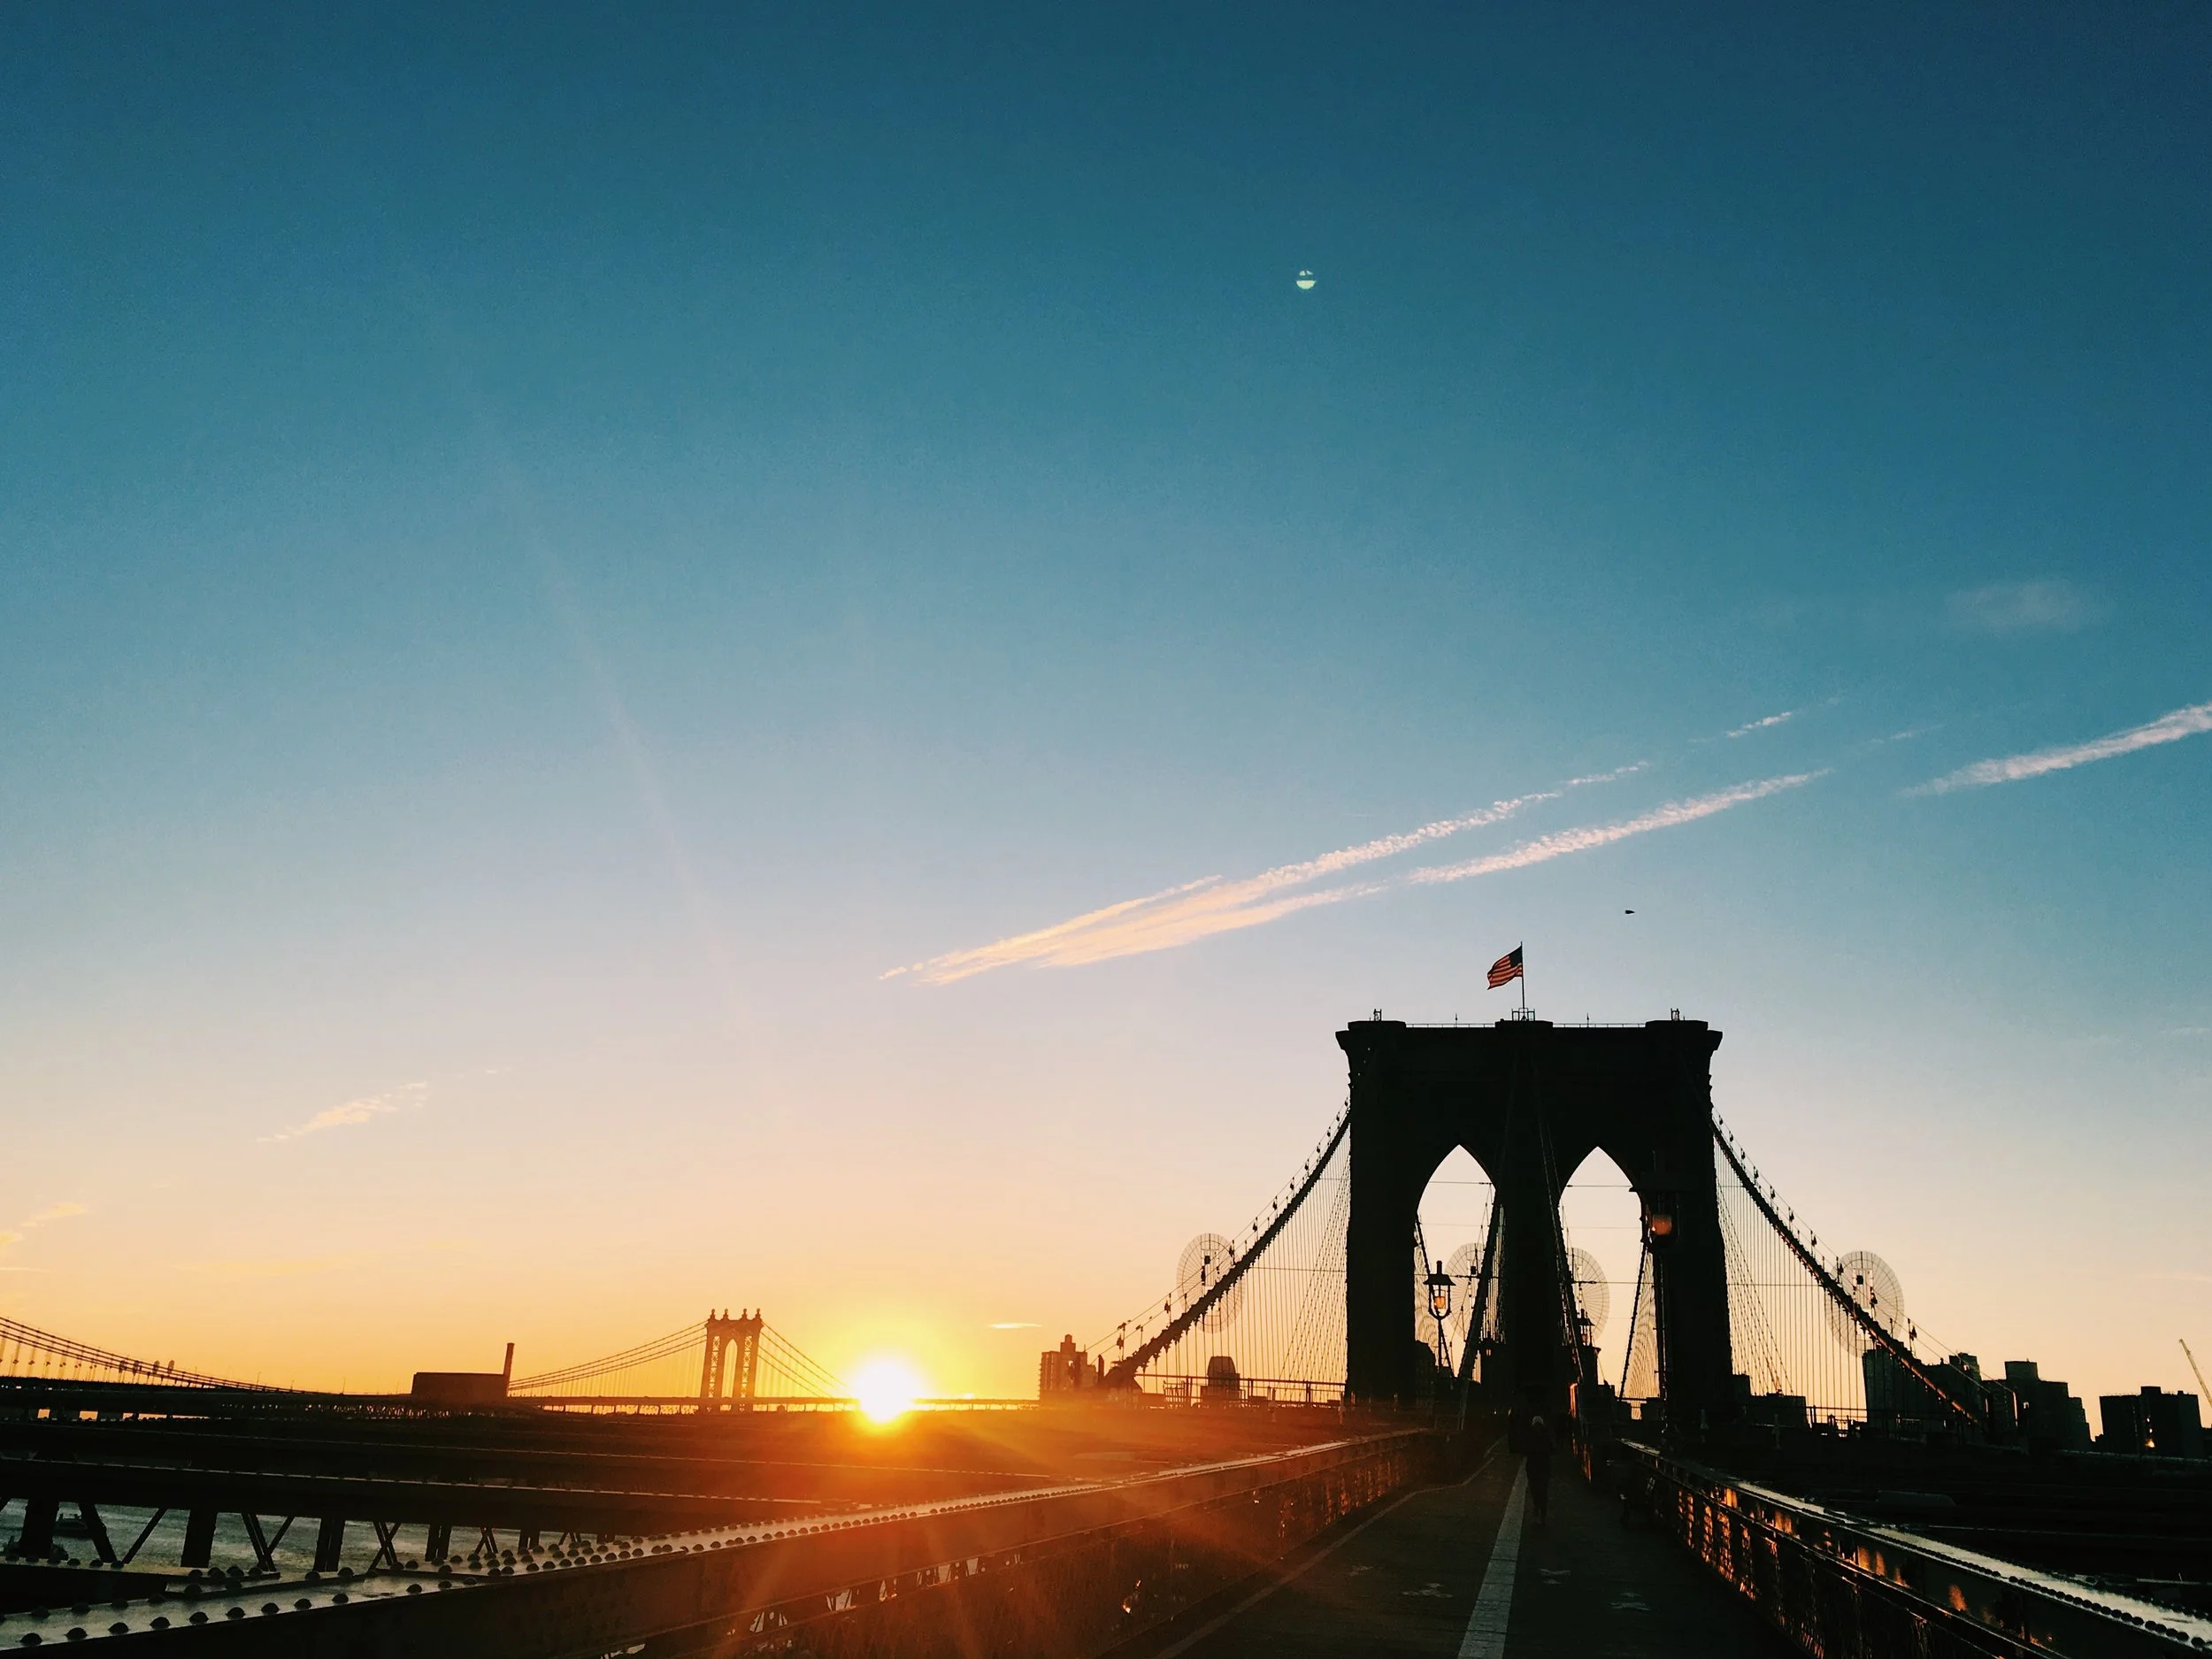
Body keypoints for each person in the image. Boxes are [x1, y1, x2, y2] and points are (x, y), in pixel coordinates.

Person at [1524, 1412, 1555, 1526]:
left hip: (1533, 1468)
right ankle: (1542, 1514)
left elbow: (1525, 1449)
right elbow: (1552, 1450)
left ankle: (1537, 1510)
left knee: (1535, 1491)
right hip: (1543, 1467)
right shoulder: (1546, 1436)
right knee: (1543, 1492)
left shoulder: (1529, 1436)